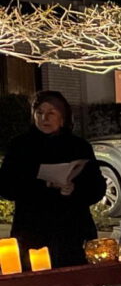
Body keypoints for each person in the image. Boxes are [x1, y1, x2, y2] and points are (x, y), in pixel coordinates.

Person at [0, 90, 105, 268]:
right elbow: (5, 186)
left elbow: (96, 188)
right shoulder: (20, 146)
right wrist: (41, 184)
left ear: (63, 117)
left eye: (51, 113)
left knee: (73, 284)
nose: (44, 118)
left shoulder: (78, 147)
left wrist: (74, 189)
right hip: (32, 228)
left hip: (72, 229)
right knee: (37, 285)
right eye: (39, 113)